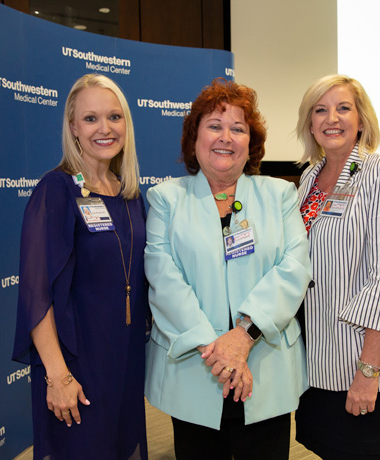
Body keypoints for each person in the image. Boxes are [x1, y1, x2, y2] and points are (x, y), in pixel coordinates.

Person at [144, 78, 312, 460]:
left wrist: (244, 336)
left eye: (238, 128)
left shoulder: (279, 194)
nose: (226, 137)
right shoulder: (166, 199)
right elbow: (163, 277)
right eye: (214, 126)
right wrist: (219, 354)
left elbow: (294, 267)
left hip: (265, 366)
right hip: (197, 368)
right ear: (194, 139)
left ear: (250, 143)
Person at [12, 73, 149, 460]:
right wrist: (57, 376)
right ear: (72, 127)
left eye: (114, 117)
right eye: (90, 119)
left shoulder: (129, 194)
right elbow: (35, 294)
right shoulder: (57, 190)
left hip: (122, 361)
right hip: (76, 364)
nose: (104, 129)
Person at [294, 74, 380, 459]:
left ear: (361, 120)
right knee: (325, 447)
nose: (332, 118)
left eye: (343, 108)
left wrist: (368, 372)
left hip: (357, 359)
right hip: (313, 356)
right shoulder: (308, 179)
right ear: (310, 124)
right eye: (320, 110)